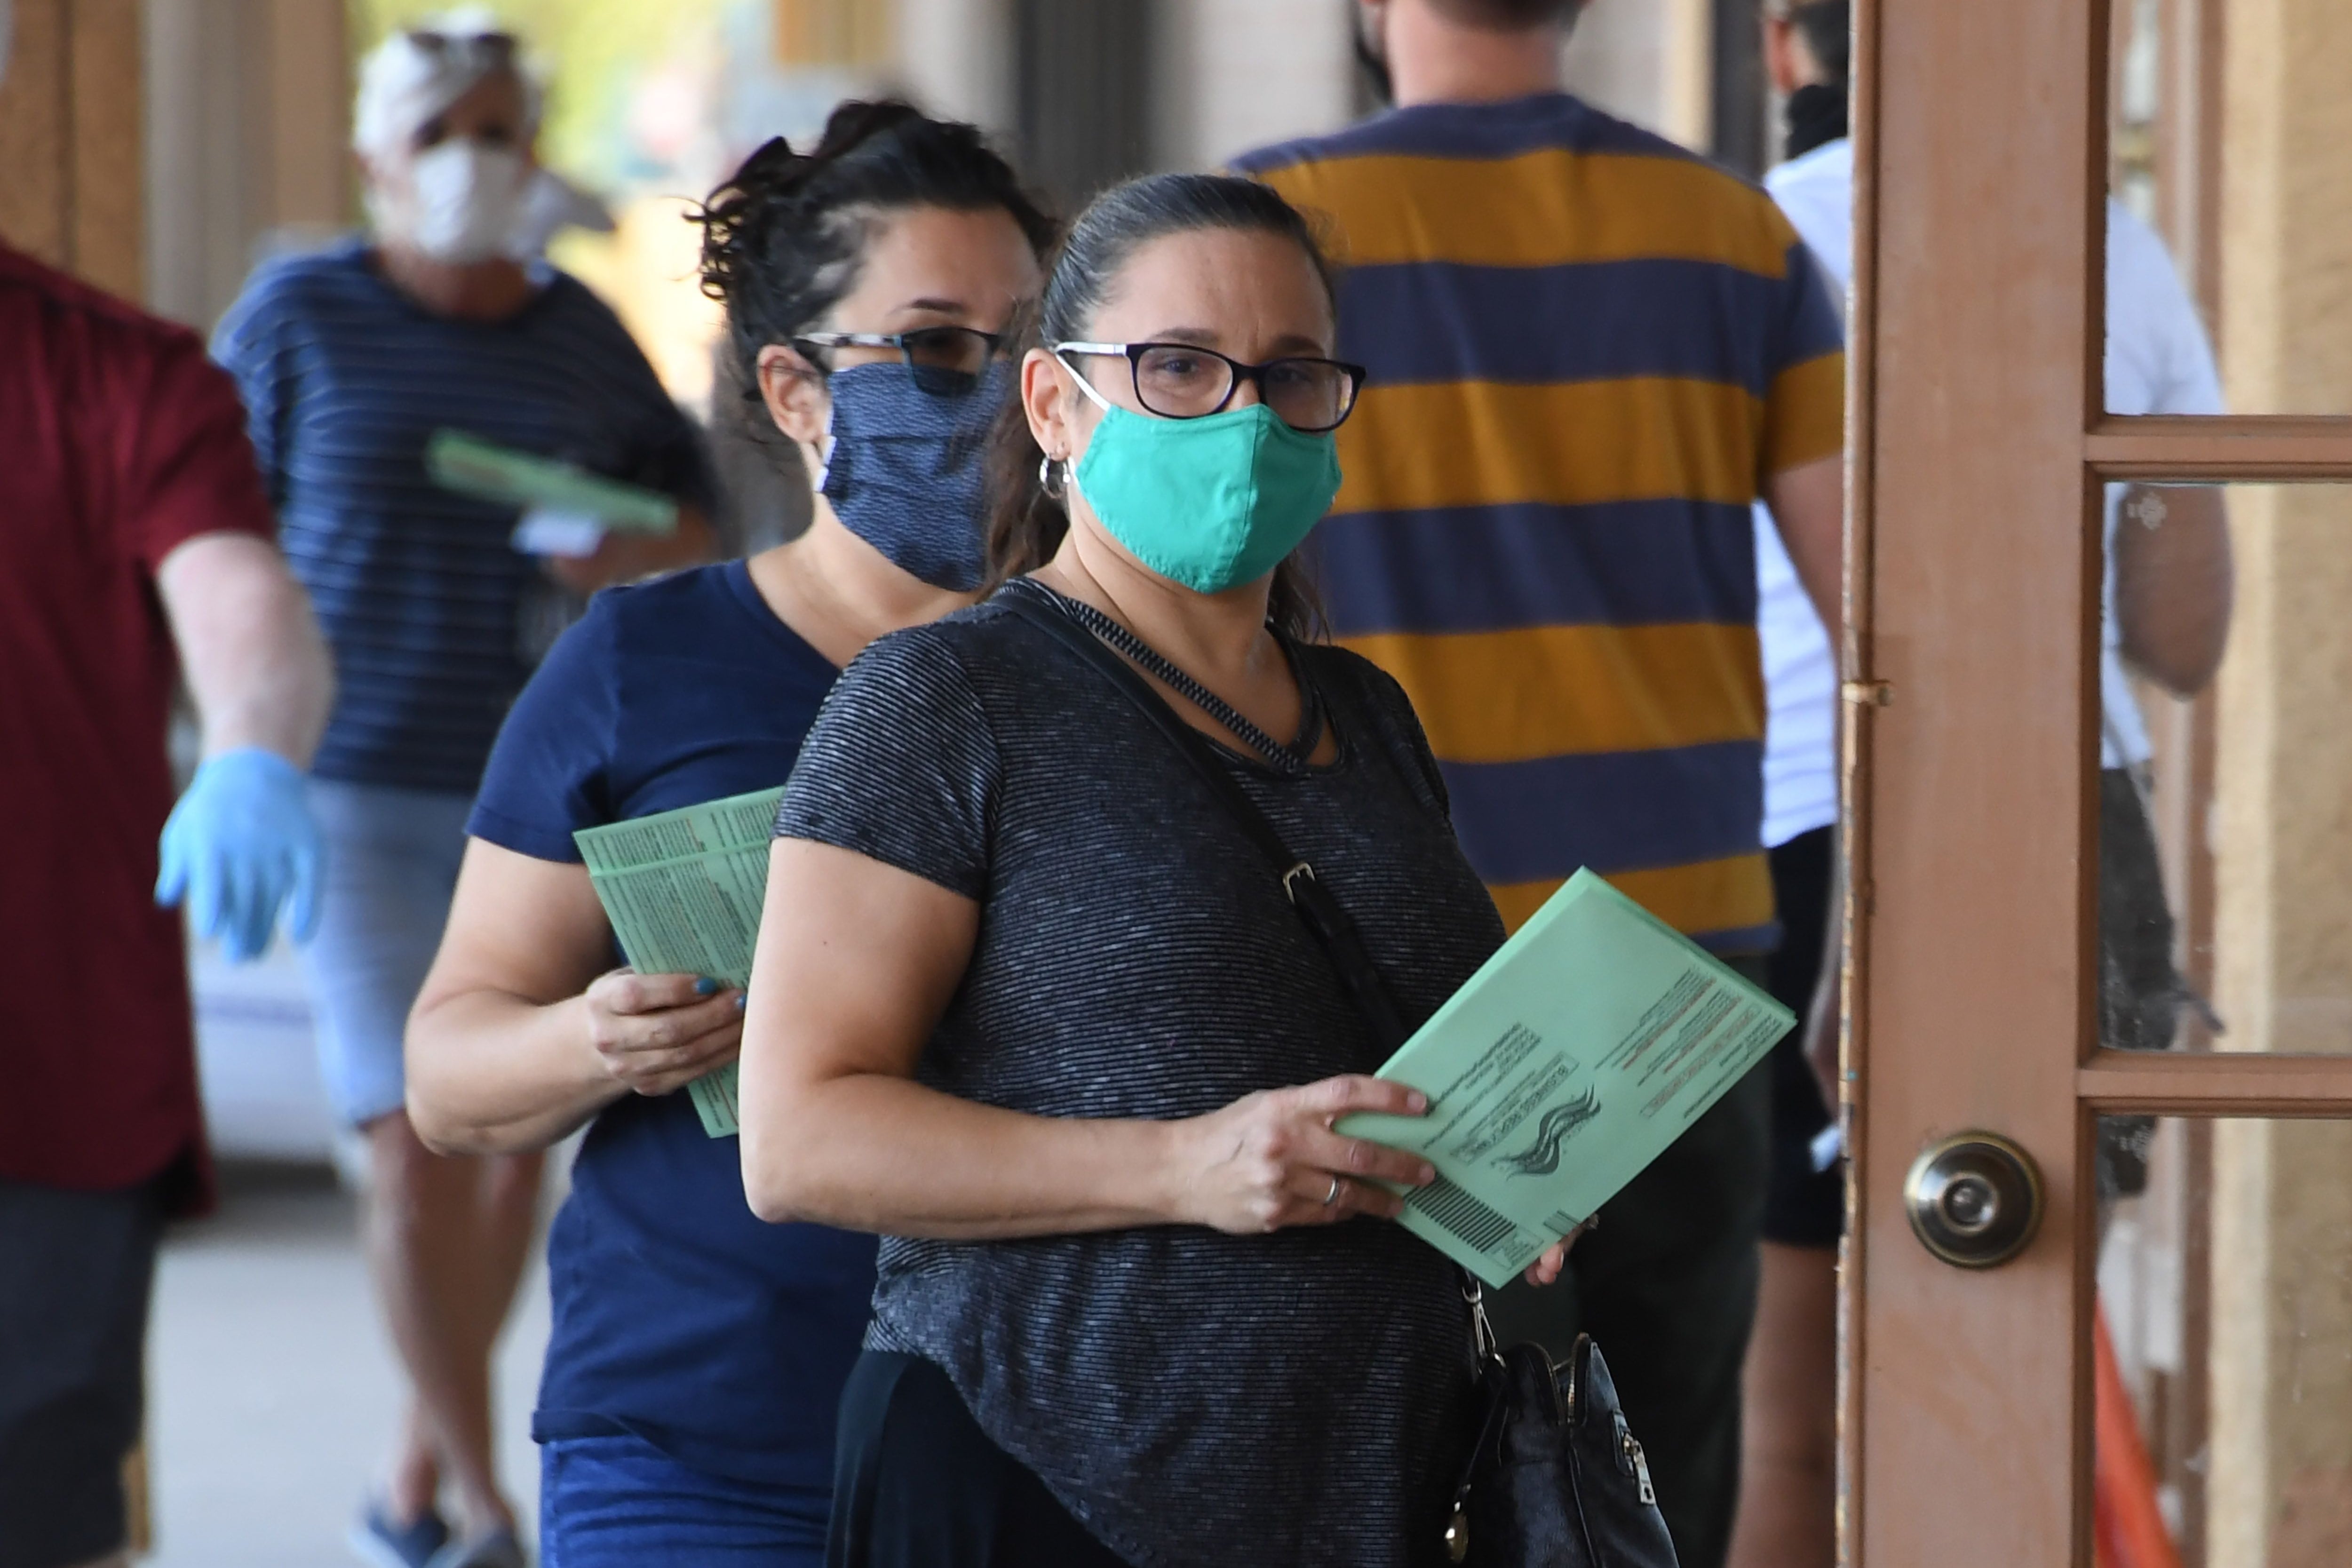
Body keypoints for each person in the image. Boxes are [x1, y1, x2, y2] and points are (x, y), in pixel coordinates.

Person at [736, 171, 1572, 1568]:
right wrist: (1185, 1166)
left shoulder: (1363, 715)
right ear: (1058, 407)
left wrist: (1522, 1169)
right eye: (1180, 367)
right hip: (1038, 1483)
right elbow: (800, 1137)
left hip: (1373, 1495)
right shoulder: (942, 698)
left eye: (1292, 374)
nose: (1246, 414)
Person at [1229, 4, 1847, 1564]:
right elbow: (1890, 634)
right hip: (1674, 962)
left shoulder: (1265, 231)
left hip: (1368, 964)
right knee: (1656, 1487)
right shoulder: (1734, 237)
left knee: (1376, 1483)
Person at [401, 103, 1053, 1566]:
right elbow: (447, 1073)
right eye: (939, 346)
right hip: (700, 1447)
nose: (999, 394)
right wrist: (598, 1038)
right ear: (799, 389)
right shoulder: (645, 666)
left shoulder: (1107, 665)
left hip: (1049, 1449)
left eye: (1027, 347)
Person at [1724, 9, 2233, 1566]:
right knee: (2012, 1363)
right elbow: (2183, 632)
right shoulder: (2113, 248)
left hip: (1787, 834)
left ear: (1786, 50)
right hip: (2064, 829)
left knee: (1782, 1419)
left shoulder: (1739, 245)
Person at [207, 21, 720, 1568]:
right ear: (375, 157)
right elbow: (216, 522)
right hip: (352, 788)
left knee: (512, 1145)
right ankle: (484, 1504)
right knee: (404, 1137)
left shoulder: (577, 330)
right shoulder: (298, 314)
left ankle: (419, 1461)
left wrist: (624, 547)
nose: (473, 163)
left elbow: (700, 515)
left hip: (538, 801)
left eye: (500, 130)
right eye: (441, 133)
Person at [0, 11, 335, 1561]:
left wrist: (257, 751)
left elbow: (243, 609)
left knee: (39, 1505)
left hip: (50, 1071)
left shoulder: (116, 373)